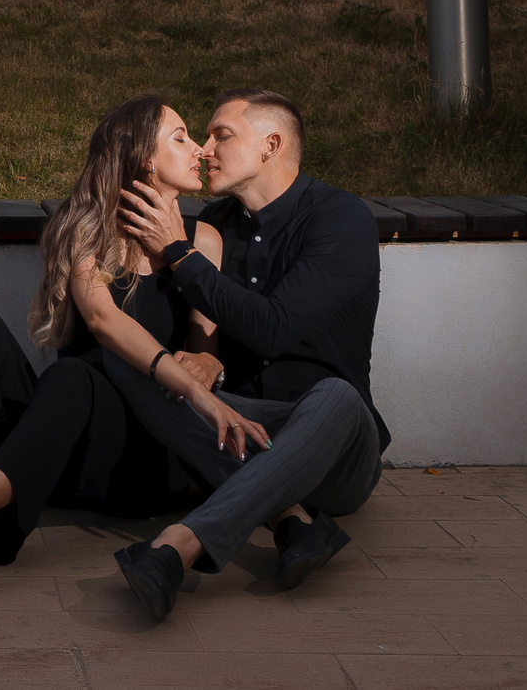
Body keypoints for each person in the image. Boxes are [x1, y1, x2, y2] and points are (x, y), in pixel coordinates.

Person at [0, 96, 255, 604]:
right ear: (143, 159)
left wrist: (206, 364)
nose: (199, 148)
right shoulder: (85, 225)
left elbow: (207, 346)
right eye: (179, 136)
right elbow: (101, 319)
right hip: (64, 444)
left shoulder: (204, 239)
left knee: (74, 375)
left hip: (144, 459)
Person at [105, 87, 389, 621]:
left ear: (271, 144)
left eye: (221, 135)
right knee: (132, 359)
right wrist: (205, 356)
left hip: (336, 448)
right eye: (202, 137)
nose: (205, 149)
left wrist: (180, 256)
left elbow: (275, 328)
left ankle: (179, 547)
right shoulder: (213, 227)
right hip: (238, 430)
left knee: (337, 397)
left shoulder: (340, 219)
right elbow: (202, 328)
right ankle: (295, 524)